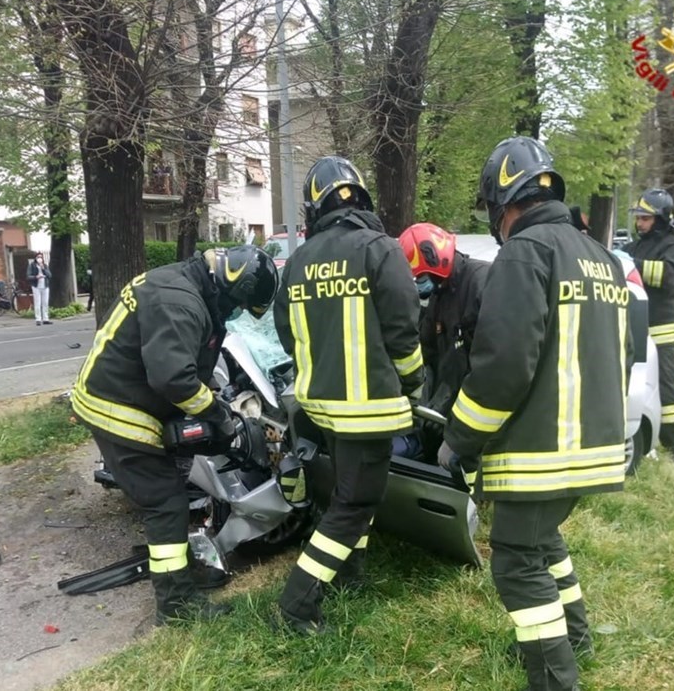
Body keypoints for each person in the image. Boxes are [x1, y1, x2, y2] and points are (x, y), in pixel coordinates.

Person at [438, 136, 632, 691]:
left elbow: (502, 367)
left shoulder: (525, 252)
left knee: (518, 564)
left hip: (542, 448)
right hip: (591, 442)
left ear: (503, 205)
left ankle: (554, 679)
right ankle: (577, 636)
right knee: (544, 540)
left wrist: (460, 438)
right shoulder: (601, 257)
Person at [71, 246, 278, 625]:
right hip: (118, 408)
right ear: (230, 286)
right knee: (166, 503)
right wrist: (219, 414)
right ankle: (177, 606)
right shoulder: (181, 301)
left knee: (172, 482)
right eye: (237, 306)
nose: (233, 314)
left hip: (122, 393)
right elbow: (173, 378)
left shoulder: (184, 284)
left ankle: (179, 572)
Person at [273, 156, 424, 635]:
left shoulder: (298, 261)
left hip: (320, 407)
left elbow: (286, 332)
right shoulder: (379, 248)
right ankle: (298, 602)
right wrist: (414, 382)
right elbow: (403, 328)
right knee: (355, 504)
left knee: (346, 494)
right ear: (360, 197)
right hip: (370, 410)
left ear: (314, 206)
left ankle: (350, 576)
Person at [397, 222, 489, 459]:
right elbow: (426, 352)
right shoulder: (439, 298)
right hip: (445, 414)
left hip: (476, 418)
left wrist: (443, 405)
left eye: (420, 278)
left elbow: (485, 366)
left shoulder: (481, 284)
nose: (419, 285)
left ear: (436, 263)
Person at [624, 188, 674, 464]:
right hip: (633, 322)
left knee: (664, 384)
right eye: (638, 218)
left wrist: (632, 264)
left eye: (645, 219)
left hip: (659, 326)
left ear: (661, 219)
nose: (639, 223)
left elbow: (670, 275)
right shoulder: (638, 244)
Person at [27, 253, 53, 326]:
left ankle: (45, 319)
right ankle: (38, 319)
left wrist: (43, 269)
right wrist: (36, 277)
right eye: (38, 257)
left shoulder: (45, 266)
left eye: (41, 257)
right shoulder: (32, 265)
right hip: (36, 286)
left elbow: (49, 275)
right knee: (37, 303)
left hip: (45, 286)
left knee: (45, 303)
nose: (40, 259)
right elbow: (28, 276)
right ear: (35, 258)